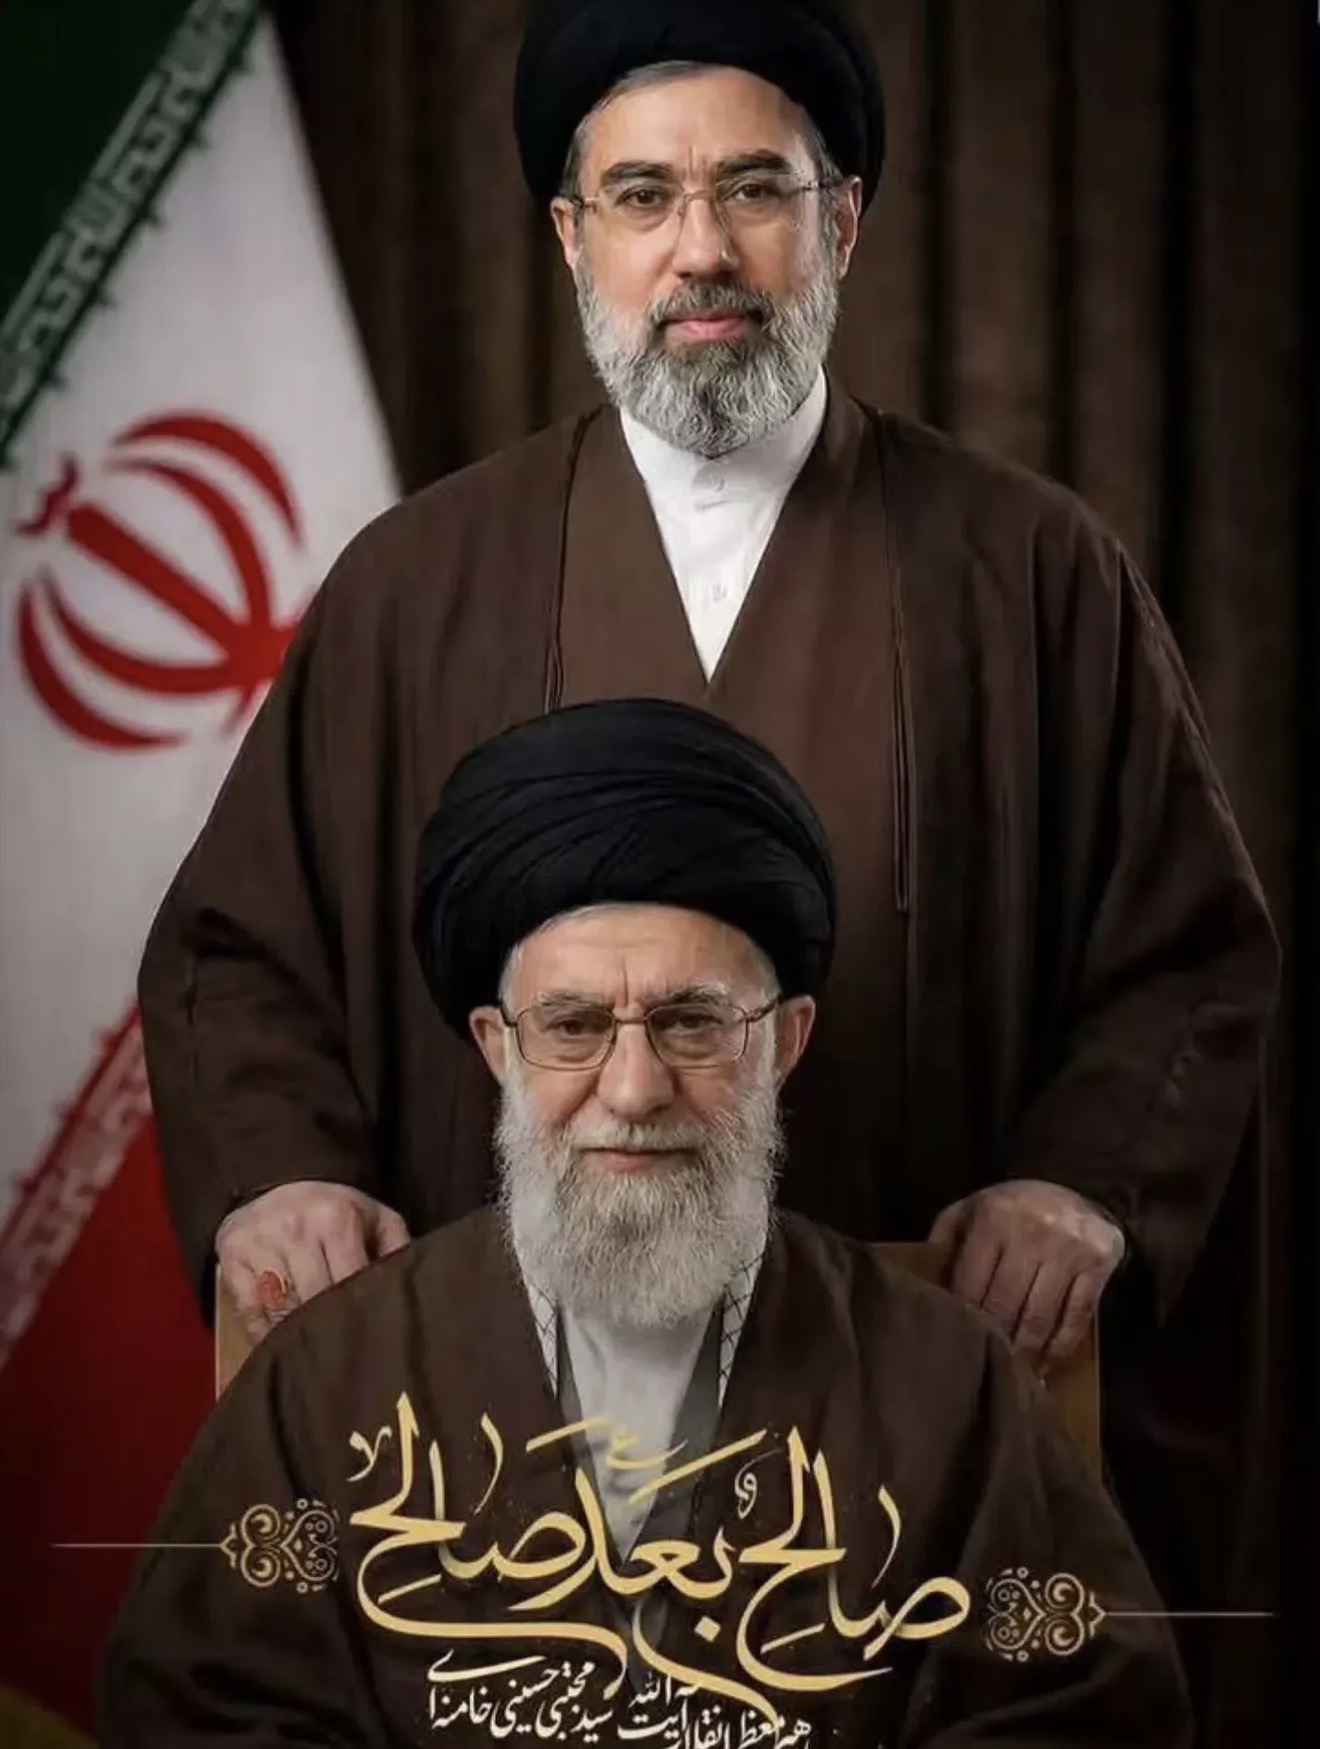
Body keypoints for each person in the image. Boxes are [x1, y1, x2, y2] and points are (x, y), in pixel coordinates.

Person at [136, 0, 1278, 1733]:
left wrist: (1082, 1184)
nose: (702, 249)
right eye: (643, 195)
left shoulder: (1034, 572)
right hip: (492, 1437)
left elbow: (1183, 953)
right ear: (569, 234)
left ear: (844, 219)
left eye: (755, 188)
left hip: (901, 1431)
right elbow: (244, 948)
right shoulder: (414, 581)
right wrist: (276, 1171)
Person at [104, 701, 1192, 1747]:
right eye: (573, 1025)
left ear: (786, 1041)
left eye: (692, 1023)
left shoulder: (948, 1388)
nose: (632, 1089)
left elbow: (1078, 1710)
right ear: (497, 1047)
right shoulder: (330, 1381)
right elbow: (204, 1708)